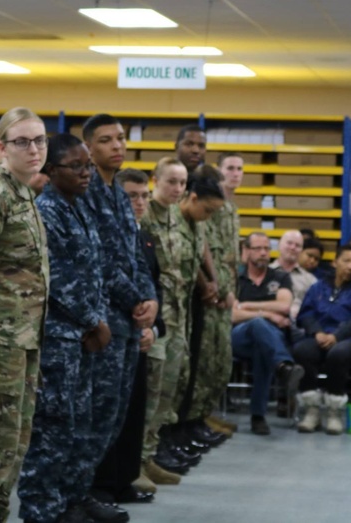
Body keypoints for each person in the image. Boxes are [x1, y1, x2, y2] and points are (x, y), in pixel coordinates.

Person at [17, 134, 110, 523]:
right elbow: (58, 278)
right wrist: (93, 320)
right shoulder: (48, 211)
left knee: (79, 423)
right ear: (51, 171)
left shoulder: (78, 207)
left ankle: (73, 498)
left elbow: (94, 271)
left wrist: (96, 319)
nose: (86, 173)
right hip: (60, 336)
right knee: (53, 426)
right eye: (77, 166)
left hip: (83, 335)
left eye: (88, 165)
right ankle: (43, 508)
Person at [0, 108, 49, 523]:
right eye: (22, 141)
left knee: (14, 446)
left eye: (40, 140)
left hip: (23, 338)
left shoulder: (23, 191)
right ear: (0, 148)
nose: (34, 149)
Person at [79, 114, 158, 520]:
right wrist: (134, 300)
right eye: (106, 140)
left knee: (115, 411)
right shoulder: (88, 189)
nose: (117, 146)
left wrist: (149, 299)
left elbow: (134, 252)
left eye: (121, 138)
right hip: (105, 318)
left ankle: (99, 488)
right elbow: (103, 262)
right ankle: (89, 489)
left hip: (129, 318)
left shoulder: (117, 193)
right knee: (98, 410)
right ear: (89, 148)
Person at [141, 161, 223, 480]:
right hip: (157, 316)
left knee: (168, 389)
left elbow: (189, 261)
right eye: (171, 182)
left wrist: (209, 281)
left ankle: (151, 454)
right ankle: (140, 459)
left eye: (182, 183)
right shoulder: (145, 216)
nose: (177, 189)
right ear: (156, 181)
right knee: (152, 390)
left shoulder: (177, 217)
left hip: (179, 317)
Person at [101, 168, 164, 500]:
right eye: (131, 196)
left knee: (133, 412)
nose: (139, 202)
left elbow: (155, 284)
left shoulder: (144, 235)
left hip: (140, 332)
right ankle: (107, 484)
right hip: (116, 331)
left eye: (144, 196)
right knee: (112, 415)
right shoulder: (113, 231)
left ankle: (125, 478)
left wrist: (153, 324)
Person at [293, 244, 351, 435]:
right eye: (346, 261)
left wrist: (337, 336)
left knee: (338, 353)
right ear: (335, 262)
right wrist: (317, 332)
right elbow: (305, 314)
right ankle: (311, 410)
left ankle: (334, 411)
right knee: (302, 350)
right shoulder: (318, 287)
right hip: (320, 336)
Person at [230, 231, 304, 435]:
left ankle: (258, 417)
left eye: (266, 248)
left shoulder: (279, 276)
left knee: (262, 348)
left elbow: (284, 306)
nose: (263, 253)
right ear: (246, 251)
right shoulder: (236, 277)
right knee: (258, 324)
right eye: (258, 248)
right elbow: (231, 315)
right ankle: (284, 366)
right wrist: (266, 314)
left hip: (270, 340)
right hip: (239, 336)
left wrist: (246, 306)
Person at [186, 161, 238, 442]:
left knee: (218, 361)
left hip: (222, 287)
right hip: (208, 291)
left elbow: (229, 253)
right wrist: (213, 285)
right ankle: (193, 418)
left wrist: (228, 287)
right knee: (203, 363)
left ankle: (203, 414)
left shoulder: (226, 207)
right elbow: (205, 248)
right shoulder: (200, 212)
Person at [270, 230, 317, 321]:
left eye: (297, 246)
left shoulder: (311, 280)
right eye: (289, 243)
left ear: (301, 250)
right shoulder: (264, 274)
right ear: (279, 244)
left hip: (300, 325)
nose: (293, 248)